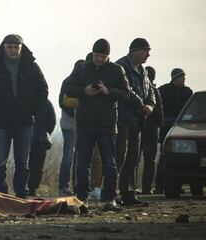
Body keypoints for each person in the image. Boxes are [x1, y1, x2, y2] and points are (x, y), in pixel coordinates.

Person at [0, 34, 48, 198]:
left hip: (24, 123)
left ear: (21, 48)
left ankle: (21, 195)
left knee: (23, 163)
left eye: (16, 47)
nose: (13, 50)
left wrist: (31, 110)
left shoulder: (32, 67)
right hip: (0, 123)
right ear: (4, 47)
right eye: (9, 47)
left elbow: (42, 91)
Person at [66, 38, 130, 211]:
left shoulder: (117, 70)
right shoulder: (82, 68)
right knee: (83, 163)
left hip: (106, 124)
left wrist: (108, 91)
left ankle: (110, 198)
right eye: (96, 55)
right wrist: (84, 91)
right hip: (85, 123)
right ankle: (81, 198)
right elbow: (69, 88)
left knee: (109, 162)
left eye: (102, 56)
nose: (99, 59)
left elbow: (126, 93)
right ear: (92, 53)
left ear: (108, 56)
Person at [115, 38, 156, 206]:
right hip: (122, 119)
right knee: (119, 157)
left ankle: (129, 194)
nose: (148, 54)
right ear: (136, 51)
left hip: (137, 121)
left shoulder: (143, 71)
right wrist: (142, 106)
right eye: (146, 50)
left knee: (132, 158)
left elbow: (151, 90)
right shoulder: (120, 67)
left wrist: (151, 106)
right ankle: (110, 193)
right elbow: (126, 91)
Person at [154, 68, 193, 193]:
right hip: (167, 129)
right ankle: (160, 185)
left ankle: (178, 184)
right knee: (165, 157)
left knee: (182, 157)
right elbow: (159, 110)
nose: (184, 79)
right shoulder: (163, 91)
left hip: (183, 129)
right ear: (175, 78)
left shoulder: (187, 92)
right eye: (182, 77)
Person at [58, 59, 83, 196]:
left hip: (81, 125)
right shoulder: (68, 82)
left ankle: (77, 185)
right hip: (70, 125)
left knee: (80, 158)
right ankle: (64, 186)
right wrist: (78, 112)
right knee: (68, 157)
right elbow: (62, 102)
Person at [139, 66, 163, 194]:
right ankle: (146, 189)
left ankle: (129, 188)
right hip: (151, 131)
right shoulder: (154, 92)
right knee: (149, 162)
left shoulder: (139, 90)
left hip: (137, 130)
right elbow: (159, 115)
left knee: (133, 161)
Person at [28, 99, 56, 196]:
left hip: (25, 139)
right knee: (37, 166)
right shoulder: (46, 102)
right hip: (40, 141)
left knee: (23, 164)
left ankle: (23, 188)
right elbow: (52, 121)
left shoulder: (23, 99)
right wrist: (45, 133)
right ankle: (32, 189)